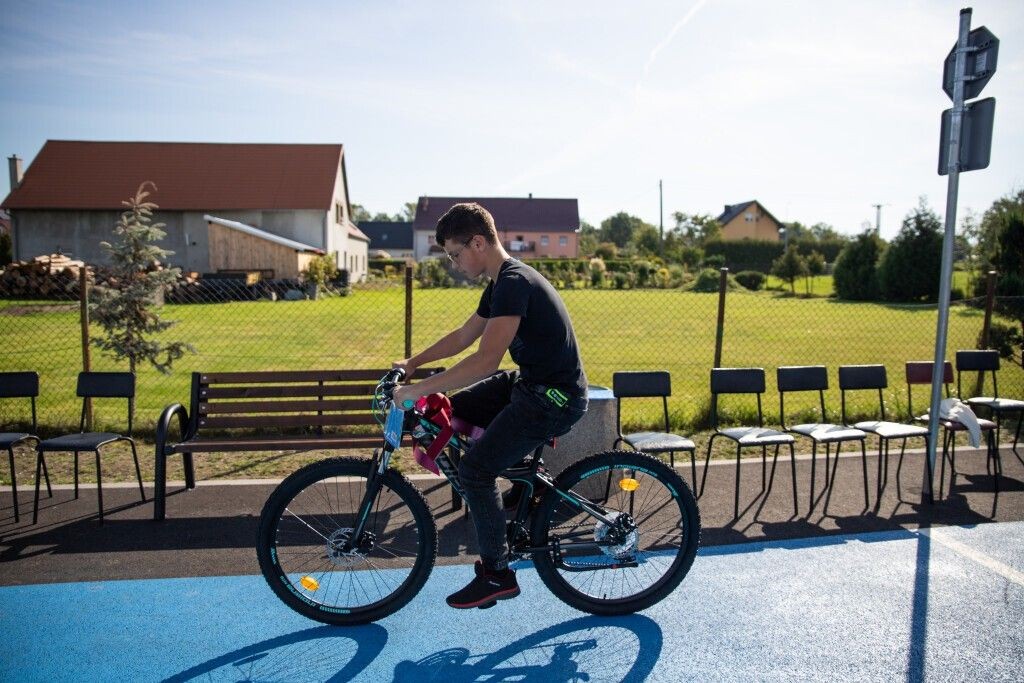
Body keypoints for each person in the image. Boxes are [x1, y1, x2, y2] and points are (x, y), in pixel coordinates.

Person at [393, 202, 588, 609]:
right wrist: (413, 364)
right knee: (449, 411)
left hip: (553, 398)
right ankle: (523, 485)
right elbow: (464, 335)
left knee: (476, 471)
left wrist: (416, 389)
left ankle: (497, 573)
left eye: (455, 253)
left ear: (478, 242)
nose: (453, 262)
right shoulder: (500, 284)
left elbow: (485, 361)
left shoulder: (515, 282)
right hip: (531, 384)